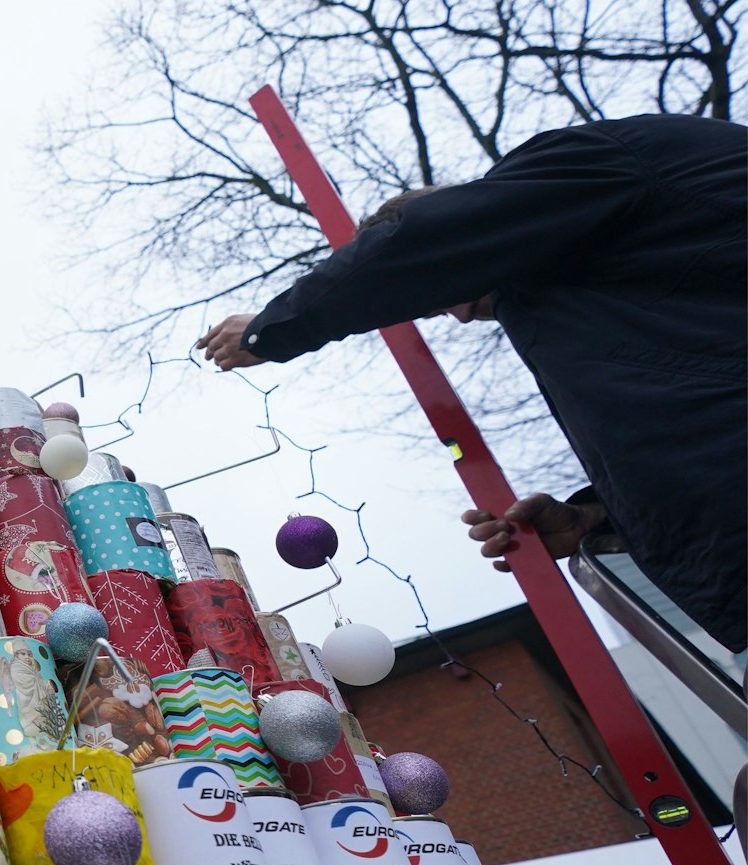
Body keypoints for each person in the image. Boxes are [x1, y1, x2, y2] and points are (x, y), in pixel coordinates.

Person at [197, 114, 746, 652]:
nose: (457, 317)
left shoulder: (584, 162)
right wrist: (597, 517)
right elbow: (687, 396)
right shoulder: (604, 283)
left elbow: (415, 243)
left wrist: (269, 329)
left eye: (439, 293)